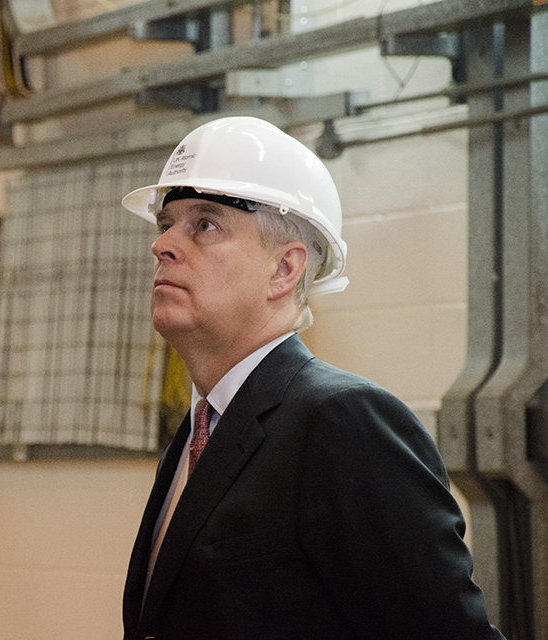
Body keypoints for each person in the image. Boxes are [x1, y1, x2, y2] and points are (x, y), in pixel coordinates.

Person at [119, 116, 503, 639]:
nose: (162, 244)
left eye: (204, 225)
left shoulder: (344, 423)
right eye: (167, 223)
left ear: (285, 270)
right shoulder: (200, 431)